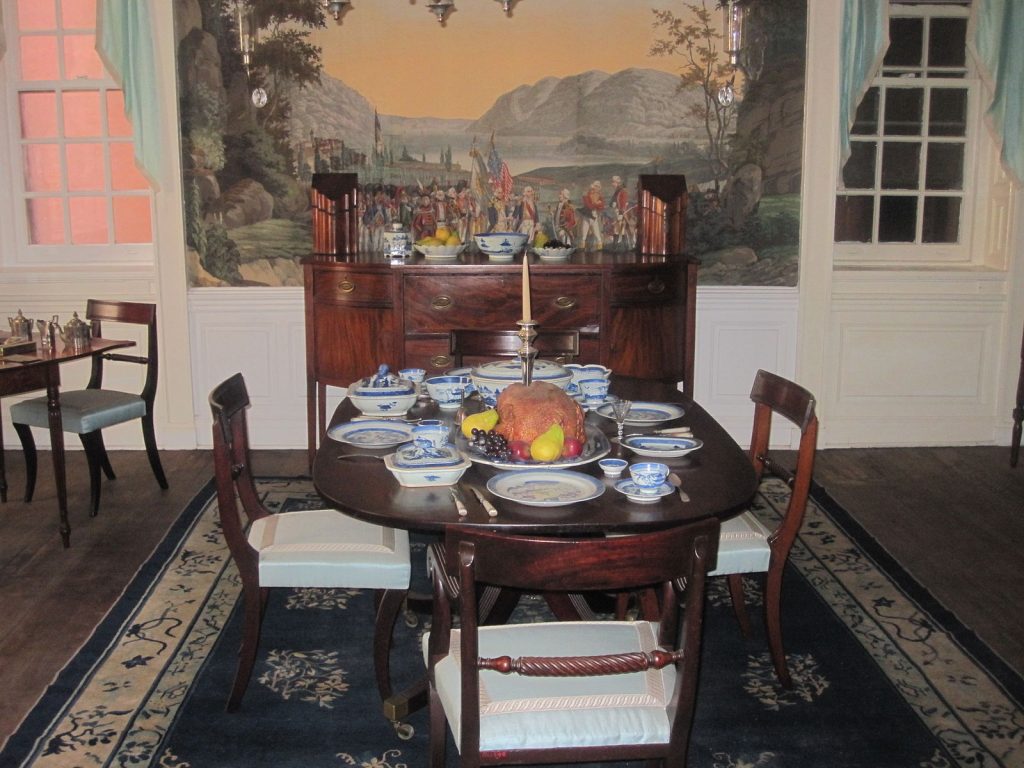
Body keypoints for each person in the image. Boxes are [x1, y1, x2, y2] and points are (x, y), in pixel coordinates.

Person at [610, 175, 635, 250]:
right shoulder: (618, 191)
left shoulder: (622, 191)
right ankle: (624, 247)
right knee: (622, 230)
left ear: (617, 183)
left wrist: (621, 213)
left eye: (613, 182)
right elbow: (614, 201)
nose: (612, 184)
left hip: (621, 212)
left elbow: (623, 203)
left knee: (617, 229)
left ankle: (615, 248)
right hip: (618, 211)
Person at [580, 180, 605, 250]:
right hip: (587, 214)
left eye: (597, 187)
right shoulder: (587, 195)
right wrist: (596, 204)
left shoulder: (599, 196)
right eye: (594, 187)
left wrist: (597, 204)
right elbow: (588, 205)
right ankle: (583, 245)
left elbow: (602, 206)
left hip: (594, 214)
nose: (594, 189)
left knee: (596, 230)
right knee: (584, 230)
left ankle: (599, 244)